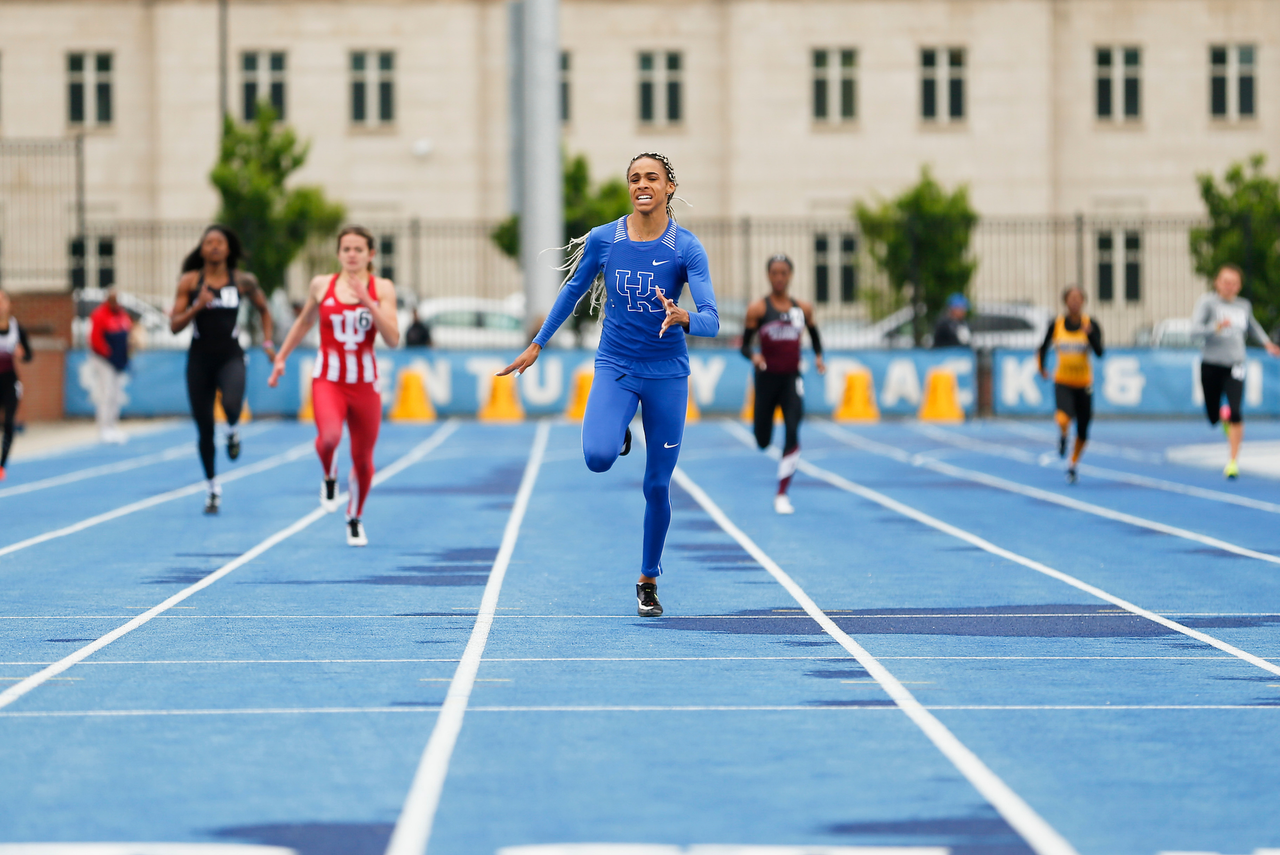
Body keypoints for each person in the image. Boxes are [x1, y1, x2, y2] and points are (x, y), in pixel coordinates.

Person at [499, 152, 718, 617]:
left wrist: (684, 317)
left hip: (667, 376)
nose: (642, 184)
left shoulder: (686, 248)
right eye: (635, 178)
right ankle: (616, 428)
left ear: (669, 188)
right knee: (598, 458)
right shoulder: (605, 238)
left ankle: (648, 578)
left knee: (657, 485)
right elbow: (573, 290)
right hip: (616, 366)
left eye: (652, 178)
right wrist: (538, 343)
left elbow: (713, 321)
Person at [269, 225, 400, 545]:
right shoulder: (321, 284)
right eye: (346, 249)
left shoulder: (382, 287)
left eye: (358, 249)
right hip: (329, 378)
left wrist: (369, 301)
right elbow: (304, 322)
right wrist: (281, 357)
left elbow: (393, 339)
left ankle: (354, 516)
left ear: (371, 254)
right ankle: (329, 476)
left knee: (363, 459)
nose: (352, 255)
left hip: (366, 383)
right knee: (328, 438)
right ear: (339, 253)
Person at [170, 225, 276, 514]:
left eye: (220, 242)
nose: (215, 246)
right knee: (204, 430)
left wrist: (267, 342)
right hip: (199, 359)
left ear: (229, 249)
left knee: (231, 405)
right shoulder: (190, 282)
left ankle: (232, 430)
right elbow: (174, 326)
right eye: (209, 242)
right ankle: (212, 488)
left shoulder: (242, 280)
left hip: (231, 355)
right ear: (201, 249)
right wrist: (196, 307)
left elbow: (265, 310)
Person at [740, 253, 825, 514]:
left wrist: (820, 357)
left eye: (783, 273)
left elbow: (814, 334)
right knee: (763, 440)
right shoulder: (759, 309)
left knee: (792, 432)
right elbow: (744, 346)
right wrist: (754, 356)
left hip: (791, 380)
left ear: (790, 275)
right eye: (774, 272)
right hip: (766, 380)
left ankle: (781, 493)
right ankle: (763, 436)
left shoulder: (803, 309)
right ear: (769, 275)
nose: (779, 277)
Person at [1191, 263, 1280, 479]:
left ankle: (1232, 461)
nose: (1229, 286)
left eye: (1234, 283)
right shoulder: (1207, 303)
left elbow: (1252, 326)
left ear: (1239, 286)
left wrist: (1267, 343)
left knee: (1237, 411)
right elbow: (1194, 332)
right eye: (1225, 282)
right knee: (1212, 415)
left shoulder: (1243, 306)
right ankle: (1220, 416)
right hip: (1211, 364)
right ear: (1217, 283)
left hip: (1236, 364)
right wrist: (1215, 327)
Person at [1038, 286, 1103, 484]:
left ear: (1083, 302)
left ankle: (1073, 464)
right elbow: (1042, 347)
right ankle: (1064, 436)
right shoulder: (1056, 324)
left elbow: (1100, 352)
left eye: (1078, 298)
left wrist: (1090, 334)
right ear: (1065, 301)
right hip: (1063, 382)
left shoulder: (1090, 324)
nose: (1074, 302)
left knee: (1083, 430)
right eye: (1071, 298)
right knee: (1063, 418)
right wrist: (1042, 368)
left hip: (1084, 384)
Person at [87, 287, 132, 444]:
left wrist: (125, 354)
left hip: (118, 361)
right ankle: (103, 427)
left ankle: (112, 425)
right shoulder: (99, 315)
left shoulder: (122, 314)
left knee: (116, 394)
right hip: (105, 361)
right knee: (106, 393)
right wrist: (108, 354)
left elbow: (128, 333)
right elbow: (95, 339)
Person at [0, 288, 32, 480]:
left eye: (3, 299)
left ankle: (2, 465)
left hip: (9, 382)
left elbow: (29, 355)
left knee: (9, 423)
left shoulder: (16, 328)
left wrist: (22, 355)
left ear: (9, 304)